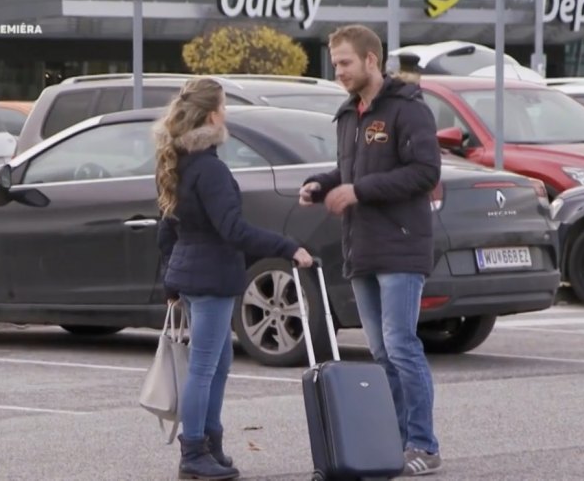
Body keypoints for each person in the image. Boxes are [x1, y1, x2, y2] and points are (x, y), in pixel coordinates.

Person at [298, 24, 442, 477]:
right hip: (361, 249)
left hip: (401, 246)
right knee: (381, 355)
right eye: (335, 63)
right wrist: (323, 184)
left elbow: (424, 171)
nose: (338, 71)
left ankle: (424, 444)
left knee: (402, 347)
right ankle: (395, 443)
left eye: (345, 62)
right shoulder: (347, 114)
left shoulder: (407, 109)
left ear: (371, 61)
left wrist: (359, 190)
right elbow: (347, 169)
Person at [155, 77, 313, 480]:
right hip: (211, 280)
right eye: (224, 106)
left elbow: (166, 229)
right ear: (212, 116)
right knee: (204, 368)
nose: (226, 113)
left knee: (218, 364)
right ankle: (193, 454)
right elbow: (234, 230)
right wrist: (287, 246)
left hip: (195, 277)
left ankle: (211, 442)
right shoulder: (211, 170)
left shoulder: (182, 163)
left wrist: (170, 278)